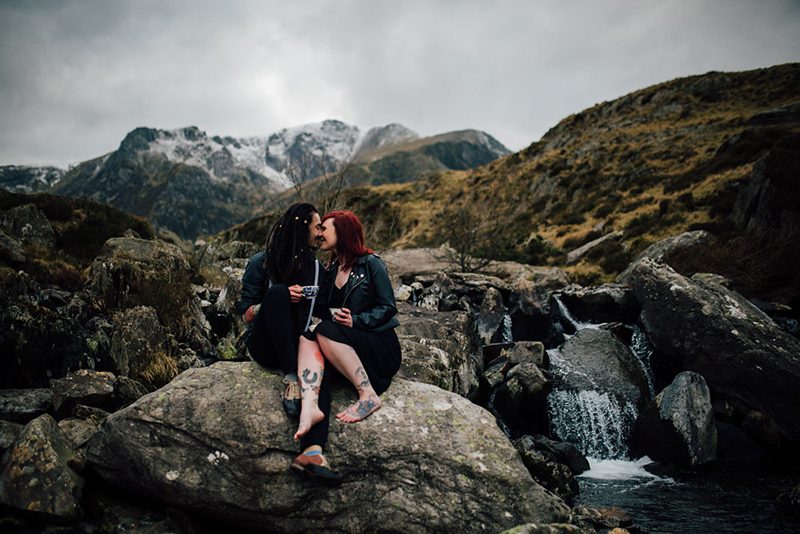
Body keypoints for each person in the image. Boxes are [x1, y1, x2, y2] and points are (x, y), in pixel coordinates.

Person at [290, 210, 402, 483]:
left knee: (324, 331)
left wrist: (357, 320)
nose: (320, 234)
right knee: (311, 340)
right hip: (346, 350)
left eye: (325, 228)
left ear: (342, 230)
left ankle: (368, 396)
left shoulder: (370, 264)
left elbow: (388, 308)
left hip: (379, 349)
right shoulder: (330, 270)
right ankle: (312, 451)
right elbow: (321, 309)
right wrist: (294, 294)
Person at [236, 202, 322, 417]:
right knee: (278, 293)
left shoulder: (316, 267)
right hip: (265, 346)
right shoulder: (261, 263)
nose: (321, 233)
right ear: (302, 230)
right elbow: (246, 315)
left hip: (299, 342)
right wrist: (276, 300)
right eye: (317, 227)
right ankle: (291, 378)